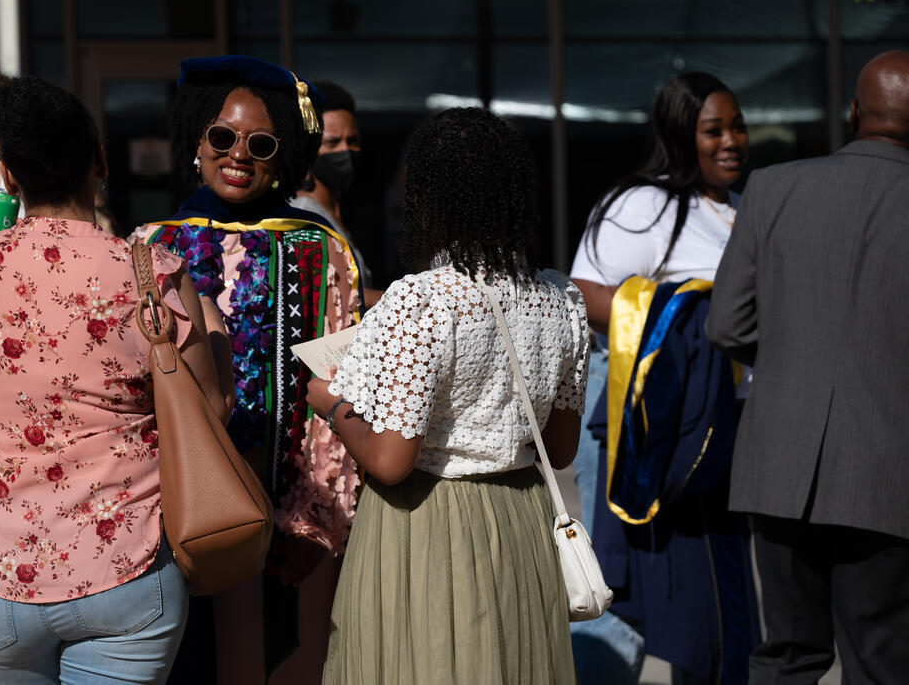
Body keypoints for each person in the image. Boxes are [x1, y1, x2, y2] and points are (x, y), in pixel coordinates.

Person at [0, 76, 228, 683]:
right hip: (126, 566)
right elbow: (208, 409)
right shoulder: (151, 274)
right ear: (99, 162)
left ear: (10, 177)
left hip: (0, 575)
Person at [304, 107, 586, 684]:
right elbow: (559, 449)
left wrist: (328, 401)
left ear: (429, 196)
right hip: (521, 521)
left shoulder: (422, 300)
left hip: (428, 526)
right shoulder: (559, 298)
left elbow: (389, 459)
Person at [135, 55, 363, 685]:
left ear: (283, 154)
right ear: (196, 140)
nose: (239, 153)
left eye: (261, 143)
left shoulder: (320, 249)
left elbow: (342, 387)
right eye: (221, 136)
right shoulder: (152, 245)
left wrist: (311, 521)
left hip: (282, 512)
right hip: (168, 516)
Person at [706, 50, 909, 684]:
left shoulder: (773, 186)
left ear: (854, 113)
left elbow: (728, 327)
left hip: (779, 467)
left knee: (787, 658)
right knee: (881, 662)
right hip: (888, 473)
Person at [568, 72, 759, 685]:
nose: (731, 141)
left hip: (725, 434)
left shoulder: (740, 208)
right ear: (681, 134)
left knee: (706, 597)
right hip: (650, 431)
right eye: (713, 130)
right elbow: (584, 293)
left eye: (737, 127)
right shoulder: (641, 203)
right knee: (617, 602)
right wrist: (679, 313)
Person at [290, 81, 382, 305]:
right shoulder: (301, 216)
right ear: (309, 151)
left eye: (353, 141)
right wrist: (400, 298)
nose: (345, 151)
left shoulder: (340, 212)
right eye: (332, 142)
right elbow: (324, 293)